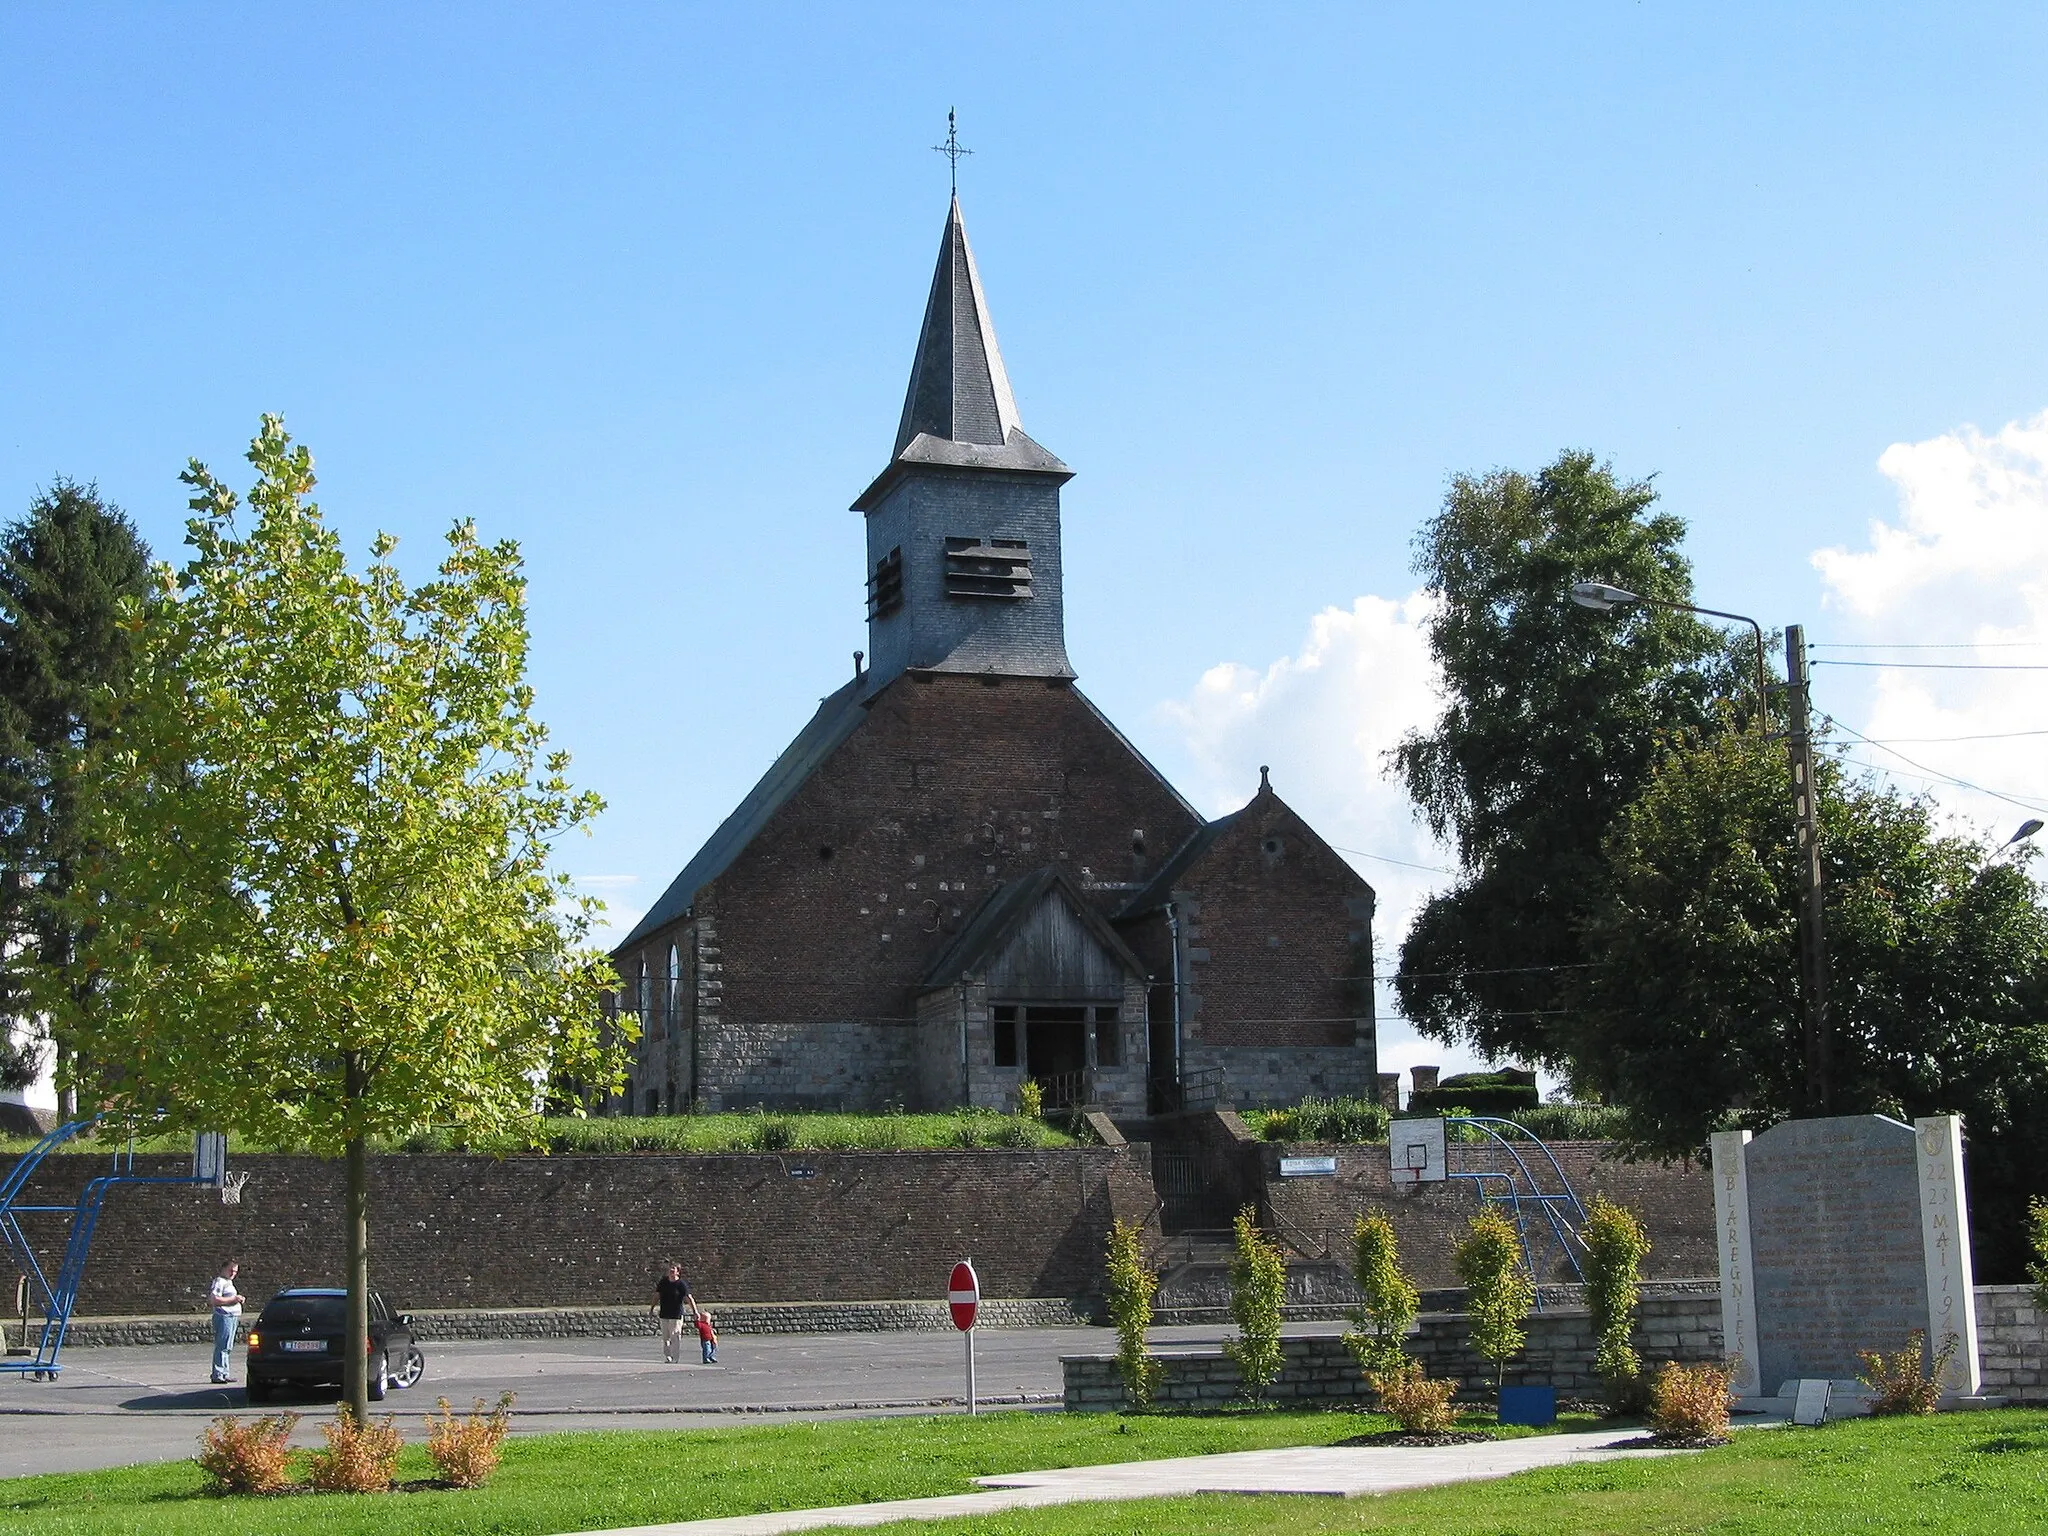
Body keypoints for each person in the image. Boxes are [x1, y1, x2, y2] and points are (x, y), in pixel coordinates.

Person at [207, 1260, 246, 1384]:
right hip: (224, 1316)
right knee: (222, 1345)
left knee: (228, 1346)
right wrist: (234, 1299)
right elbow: (214, 1299)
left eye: (235, 1271)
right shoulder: (220, 1281)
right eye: (231, 1270)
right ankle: (217, 1374)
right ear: (223, 1269)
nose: (233, 1273)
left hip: (232, 1316)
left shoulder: (229, 1283)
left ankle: (224, 1372)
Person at [650, 1261, 695, 1365]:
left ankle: (675, 1357)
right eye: (670, 1268)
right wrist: (652, 1308)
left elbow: (689, 1298)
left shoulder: (681, 1284)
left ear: (678, 1272)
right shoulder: (663, 1282)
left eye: (673, 1268)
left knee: (675, 1335)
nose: (671, 1270)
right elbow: (657, 1296)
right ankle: (668, 1356)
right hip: (664, 1313)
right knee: (666, 1337)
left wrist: (695, 1311)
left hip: (676, 1314)